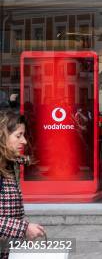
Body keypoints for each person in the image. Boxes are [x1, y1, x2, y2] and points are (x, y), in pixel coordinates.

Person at [0, 111, 45, 259]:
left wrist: (24, 233)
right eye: (18, 136)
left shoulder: (9, 165)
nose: (24, 141)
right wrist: (23, 228)